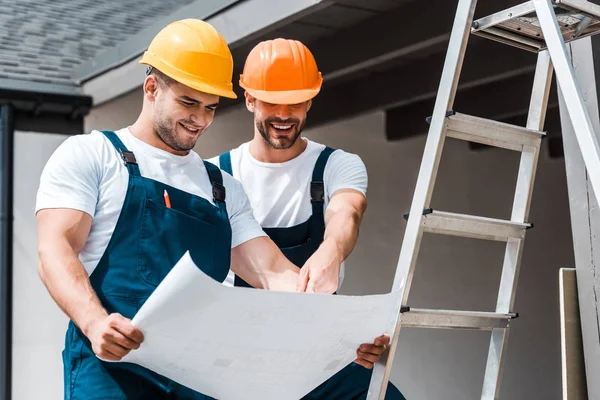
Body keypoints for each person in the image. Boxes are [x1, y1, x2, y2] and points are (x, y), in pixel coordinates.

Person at [35, 20, 390, 400]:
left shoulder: (221, 187)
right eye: (188, 102)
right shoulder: (93, 155)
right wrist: (94, 323)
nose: (200, 119)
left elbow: (274, 274)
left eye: (211, 107)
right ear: (152, 87)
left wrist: (346, 338)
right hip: (112, 369)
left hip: (197, 379)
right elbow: (55, 248)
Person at [209, 39, 406, 400]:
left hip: (321, 352)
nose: (284, 114)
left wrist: (331, 250)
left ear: (310, 101)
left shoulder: (337, 165)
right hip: (239, 359)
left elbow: (347, 212)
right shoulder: (217, 176)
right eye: (271, 101)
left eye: (296, 102)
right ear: (250, 99)